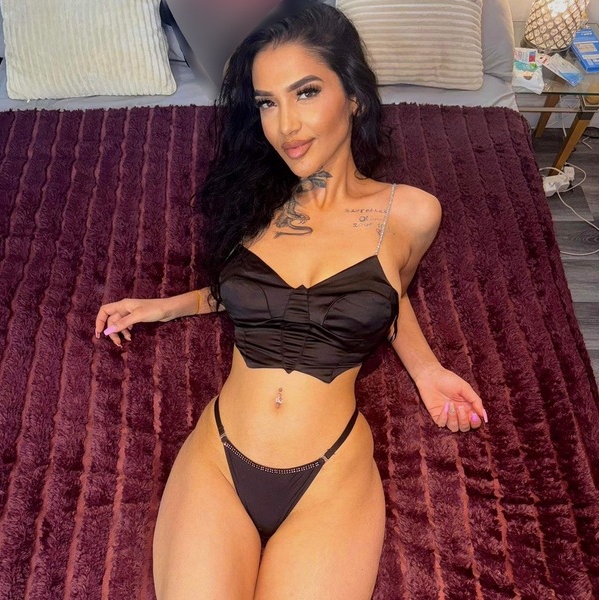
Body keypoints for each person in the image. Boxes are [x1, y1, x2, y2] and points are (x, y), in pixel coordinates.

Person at [95, 2, 487, 598]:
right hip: (218, 461)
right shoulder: (254, 200)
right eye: (267, 102)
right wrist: (164, 305)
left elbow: (386, 293)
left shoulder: (411, 212)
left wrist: (428, 370)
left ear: (353, 95)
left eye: (305, 92)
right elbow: (251, 291)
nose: (286, 126)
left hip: (329, 476)